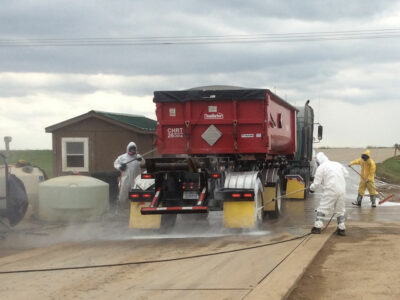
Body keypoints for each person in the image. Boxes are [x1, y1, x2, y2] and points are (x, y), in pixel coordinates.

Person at [310, 152, 349, 236]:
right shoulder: (337, 164)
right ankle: (341, 229)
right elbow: (346, 174)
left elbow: (316, 183)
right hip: (342, 190)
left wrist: (311, 189)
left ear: (318, 161)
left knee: (322, 208)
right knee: (340, 210)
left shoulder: (321, 167)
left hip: (330, 190)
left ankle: (317, 227)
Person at [114, 142, 145, 207]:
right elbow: (116, 163)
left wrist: (141, 159)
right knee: (123, 194)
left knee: (136, 194)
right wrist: (120, 167)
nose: (132, 150)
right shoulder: (122, 157)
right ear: (128, 149)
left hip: (136, 180)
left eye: (134, 149)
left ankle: (135, 207)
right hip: (126, 179)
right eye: (131, 149)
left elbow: (143, 162)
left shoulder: (138, 156)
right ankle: (121, 207)